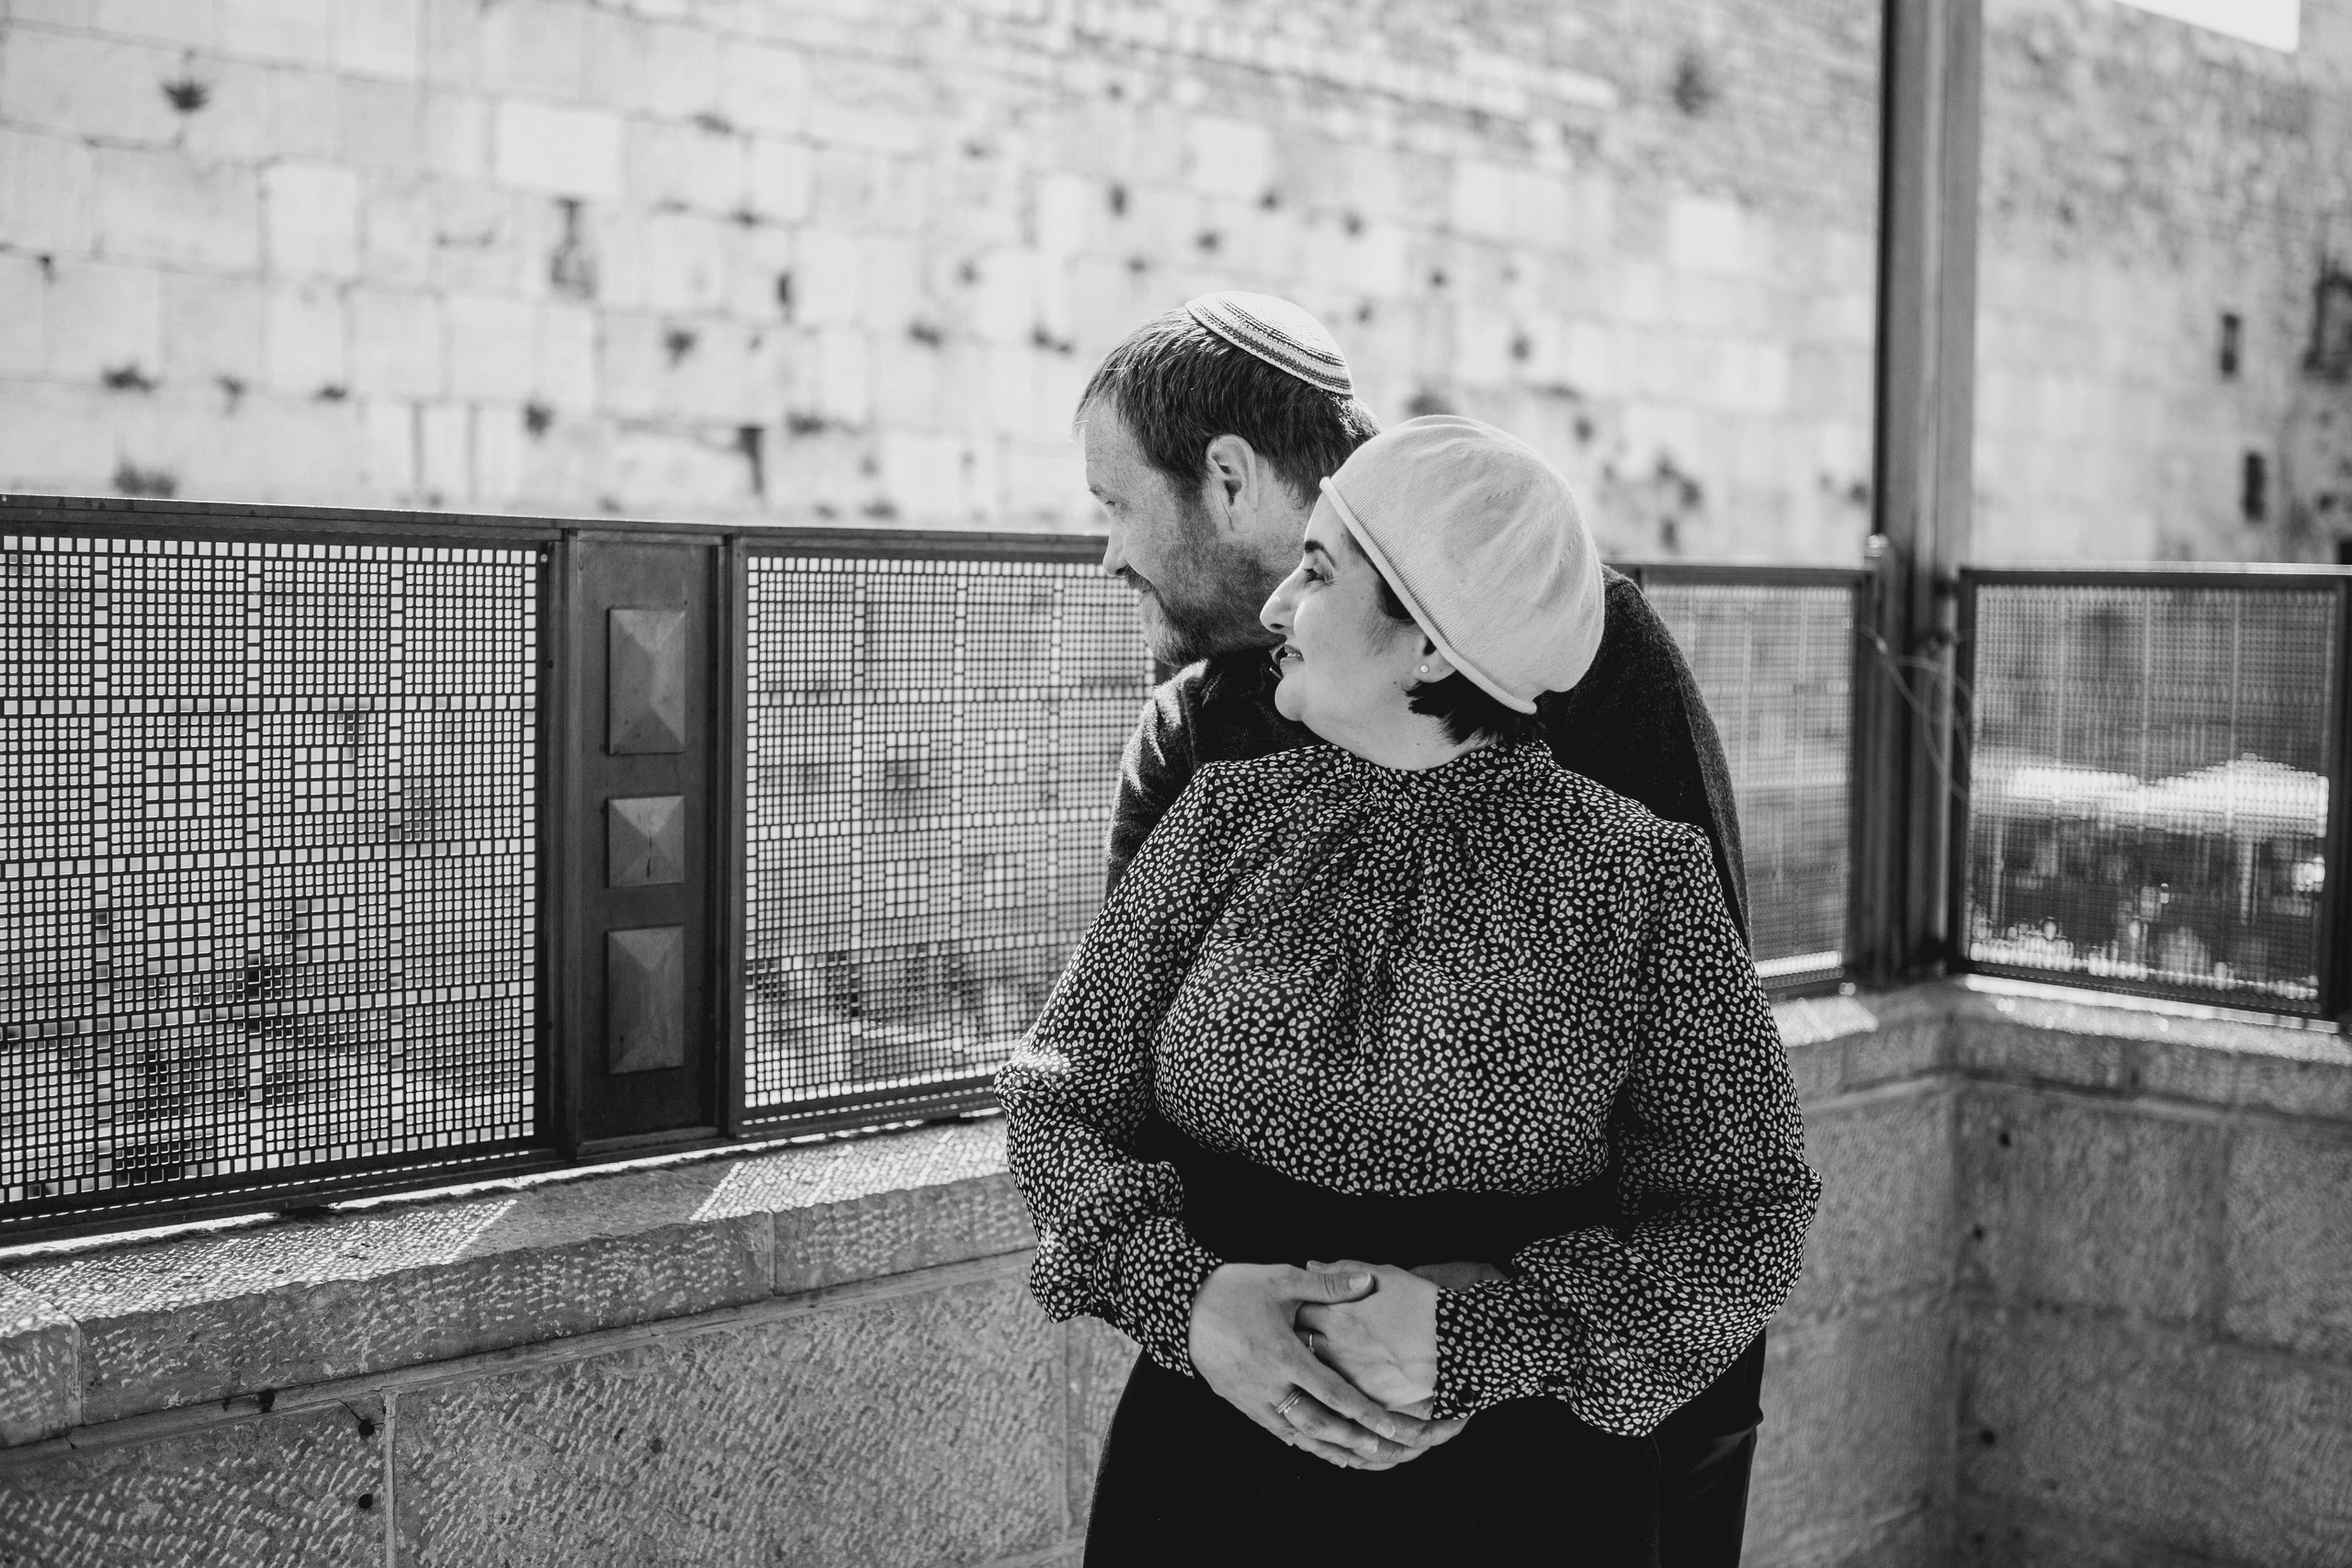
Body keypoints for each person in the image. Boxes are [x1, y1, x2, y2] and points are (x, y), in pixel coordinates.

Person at [998, 413, 1820, 1563]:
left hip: (1521, 1502)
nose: (1276, 607)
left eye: (1319, 573)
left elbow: (1746, 1218)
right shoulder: (1217, 824)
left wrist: (1478, 1339)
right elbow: (1057, 1100)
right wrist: (1186, 1300)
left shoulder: (1643, 883)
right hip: (1204, 1478)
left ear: (1432, 645)